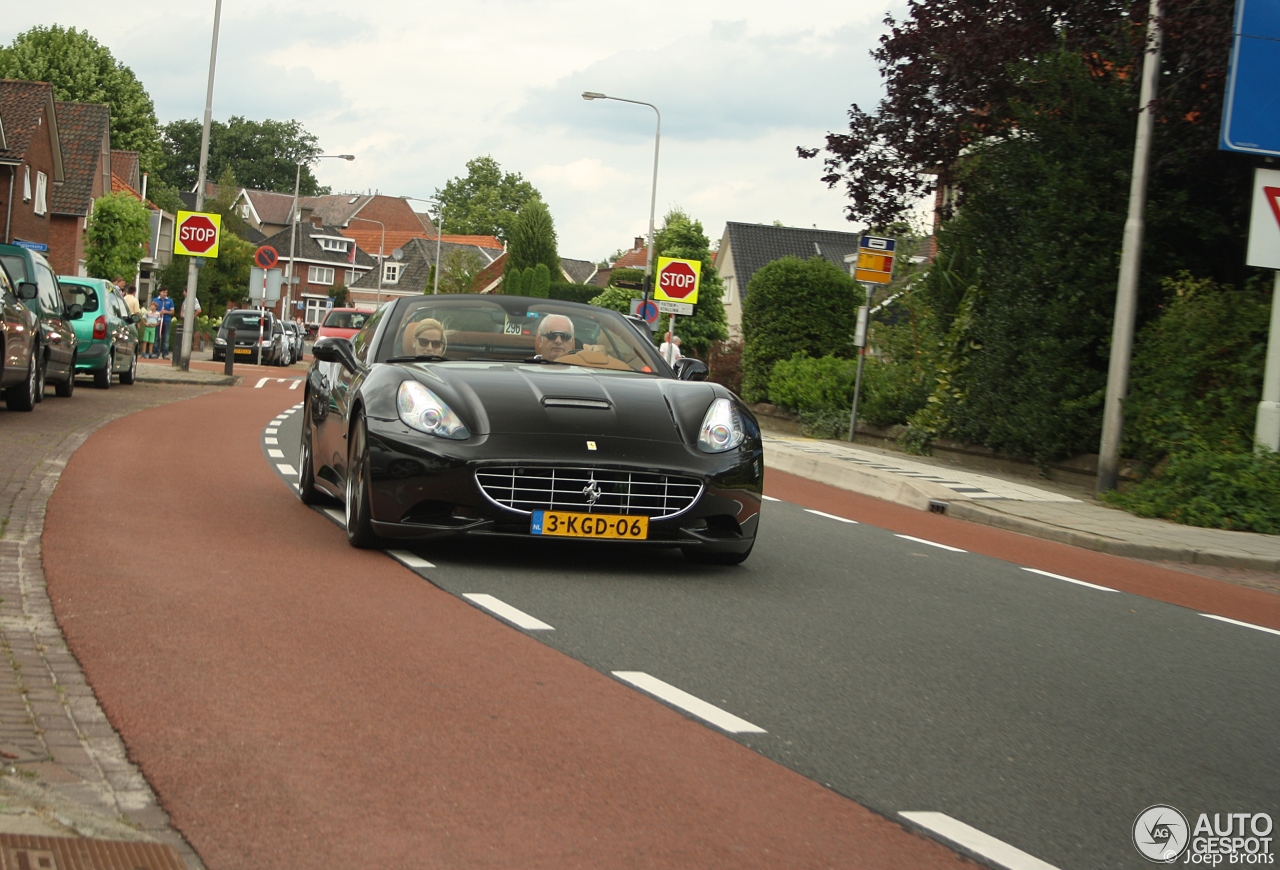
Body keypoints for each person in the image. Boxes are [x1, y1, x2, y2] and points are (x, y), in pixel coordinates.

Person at [154, 287, 175, 358]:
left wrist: (166, 311)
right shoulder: (155, 300)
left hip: (166, 320)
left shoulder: (170, 301)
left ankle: (165, 353)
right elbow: (152, 310)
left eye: (166, 292)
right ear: (160, 292)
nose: (165, 294)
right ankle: (156, 352)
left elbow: (172, 312)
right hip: (158, 320)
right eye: (163, 292)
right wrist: (159, 312)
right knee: (157, 337)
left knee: (166, 337)